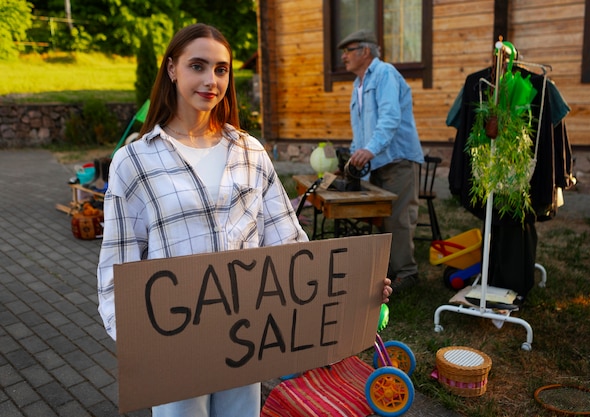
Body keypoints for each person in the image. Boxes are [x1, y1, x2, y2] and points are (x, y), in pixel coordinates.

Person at [97, 23, 393, 417]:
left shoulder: (250, 152)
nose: (211, 80)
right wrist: (140, 346)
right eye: (198, 66)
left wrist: (353, 290)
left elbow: (289, 244)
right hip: (177, 348)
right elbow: (119, 263)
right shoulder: (134, 161)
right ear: (172, 69)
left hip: (246, 341)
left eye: (221, 69)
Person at [338, 29, 425, 292]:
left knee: (398, 219)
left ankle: (407, 275)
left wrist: (369, 150)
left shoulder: (385, 73)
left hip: (397, 160)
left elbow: (390, 119)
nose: (344, 57)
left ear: (365, 51)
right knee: (381, 219)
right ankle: (385, 272)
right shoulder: (359, 84)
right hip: (377, 162)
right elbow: (362, 130)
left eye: (348, 51)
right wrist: (355, 159)